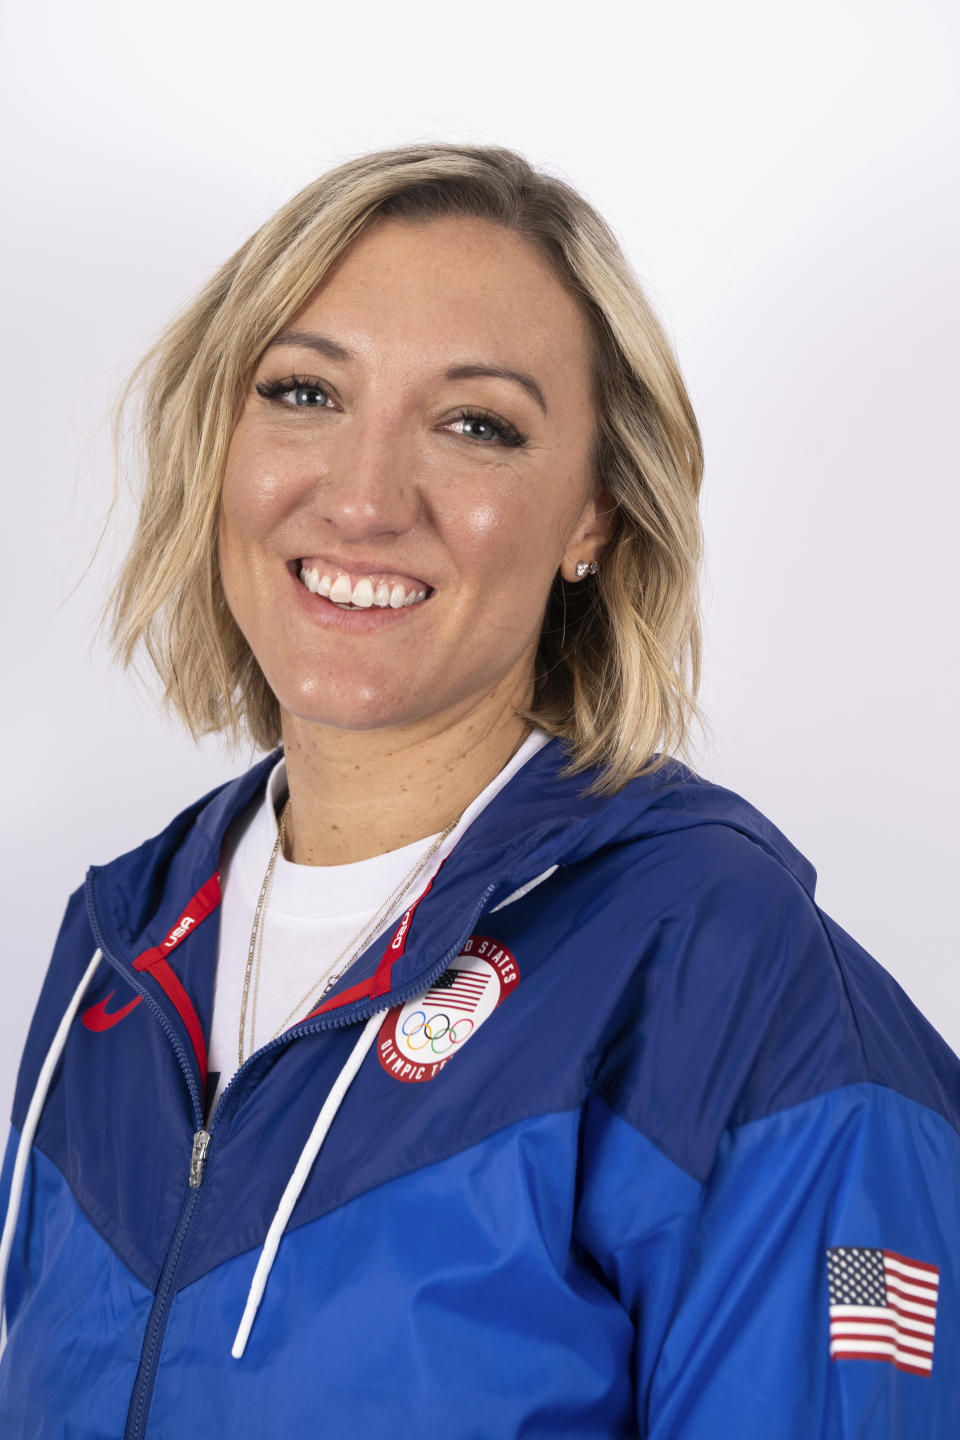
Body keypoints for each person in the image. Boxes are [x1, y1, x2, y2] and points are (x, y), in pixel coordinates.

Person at [0, 141, 956, 1439]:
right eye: (303, 392)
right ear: (215, 443)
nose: (364, 496)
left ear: (594, 518)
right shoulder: (122, 947)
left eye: (477, 426)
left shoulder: (728, 976)